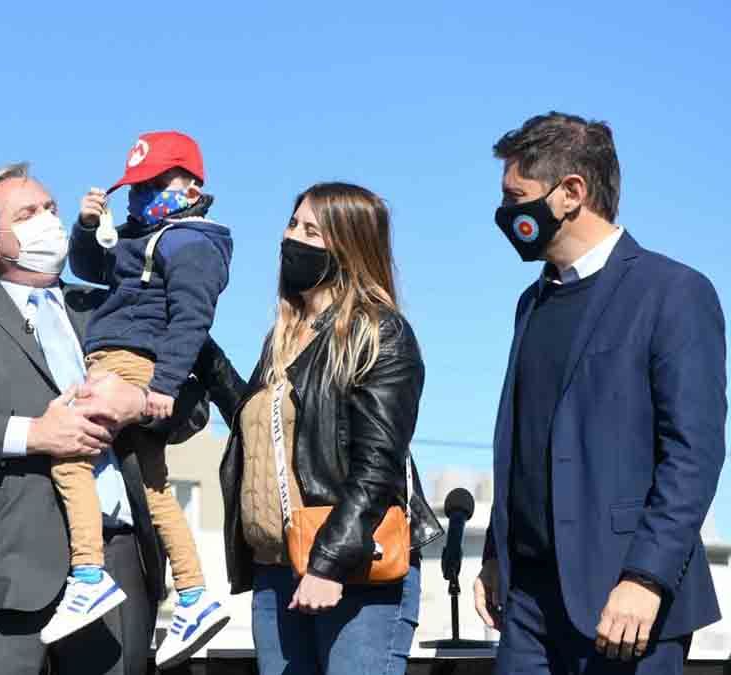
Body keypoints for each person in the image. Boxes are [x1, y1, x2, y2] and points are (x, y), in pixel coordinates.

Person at [0, 162, 210, 675]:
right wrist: (34, 434)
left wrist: (139, 402)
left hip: (117, 558)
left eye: (50, 208)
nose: (48, 220)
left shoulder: (111, 306)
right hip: (3, 565)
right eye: (28, 213)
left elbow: (192, 404)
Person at [474, 112, 725, 674]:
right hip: (527, 610)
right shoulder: (530, 304)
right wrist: (495, 553)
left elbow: (694, 453)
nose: (508, 214)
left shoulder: (674, 293)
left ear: (570, 193)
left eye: (517, 196)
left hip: (626, 606)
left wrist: (646, 577)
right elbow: (525, 442)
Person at [194, 182, 443, 675]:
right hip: (277, 566)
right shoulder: (284, 337)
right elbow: (259, 431)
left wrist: (329, 563)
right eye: (293, 225)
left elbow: (378, 467)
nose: (294, 240)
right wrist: (198, 350)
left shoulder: (378, 332)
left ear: (350, 246)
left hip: (353, 569)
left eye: (313, 231)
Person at [43, 131, 232, 666]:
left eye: (153, 183)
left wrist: (163, 387)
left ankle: (87, 573)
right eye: (135, 186)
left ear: (191, 184)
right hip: (121, 358)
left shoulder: (191, 242)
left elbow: (193, 318)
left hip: (129, 360)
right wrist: (85, 228)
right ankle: (194, 595)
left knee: (69, 449)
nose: (140, 195)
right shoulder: (142, 235)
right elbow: (90, 267)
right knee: (154, 486)